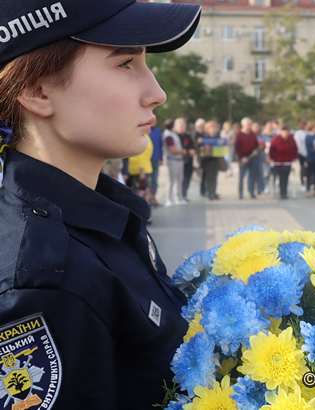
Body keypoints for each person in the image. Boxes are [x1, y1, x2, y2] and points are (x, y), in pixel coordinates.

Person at [0, 0, 201, 408]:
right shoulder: (45, 281)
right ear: (37, 90)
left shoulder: (102, 216)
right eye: (125, 63)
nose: (157, 93)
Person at [269, 126, 298, 199]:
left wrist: (294, 157)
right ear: (281, 132)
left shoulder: (291, 139)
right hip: (278, 162)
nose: (286, 133)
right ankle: (282, 192)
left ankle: (284, 192)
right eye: (284, 132)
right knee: (280, 177)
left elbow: (295, 149)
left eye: (287, 132)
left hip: (287, 162)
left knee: (285, 177)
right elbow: (272, 150)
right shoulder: (276, 140)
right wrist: (272, 158)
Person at [163, 119, 187, 206]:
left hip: (179, 160)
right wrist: (183, 151)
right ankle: (168, 199)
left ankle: (179, 198)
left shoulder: (173, 134)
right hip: (172, 160)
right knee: (171, 181)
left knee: (179, 180)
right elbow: (172, 150)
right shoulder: (168, 135)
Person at [235, 117, 259, 199]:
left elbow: (256, 145)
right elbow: (237, 148)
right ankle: (240, 193)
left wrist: (256, 150)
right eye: (248, 124)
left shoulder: (253, 134)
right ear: (243, 125)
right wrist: (241, 158)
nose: (249, 126)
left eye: (250, 124)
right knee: (241, 177)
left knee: (252, 176)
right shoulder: (239, 135)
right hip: (243, 159)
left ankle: (251, 192)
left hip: (252, 158)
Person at [176, 117, 195, 201]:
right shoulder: (174, 136)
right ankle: (178, 195)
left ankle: (184, 195)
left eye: (183, 125)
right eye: (180, 125)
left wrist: (193, 150)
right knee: (179, 180)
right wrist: (187, 151)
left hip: (188, 161)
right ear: (176, 126)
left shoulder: (188, 136)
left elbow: (192, 146)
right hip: (178, 161)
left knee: (187, 178)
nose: (182, 127)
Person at [201, 120, 222, 200]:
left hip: (216, 159)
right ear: (207, 129)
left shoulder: (218, 137)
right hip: (207, 160)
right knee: (208, 178)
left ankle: (213, 192)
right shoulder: (204, 137)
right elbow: (202, 150)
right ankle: (209, 193)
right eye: (211, 128)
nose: (213, 129)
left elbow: (222, 149)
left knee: (214, 177)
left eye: (214, 127)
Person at [149, 126, 163, 206]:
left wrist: (161, 158)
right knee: (147, 180)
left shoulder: (158, 130)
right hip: (146, 159)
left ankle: (153, 197)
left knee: (154, 179)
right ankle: (148, 198)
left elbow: (160, 145)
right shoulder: (145, 128)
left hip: (155, 158)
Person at [294, 120, 308, 190]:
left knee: (307, 169)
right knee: (302, 168)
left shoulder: (307, 133)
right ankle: (302, 183)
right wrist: (301, 153)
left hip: (307, 153)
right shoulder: (298, 133)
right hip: (301, 153)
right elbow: (298, 144)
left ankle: (308, 182)